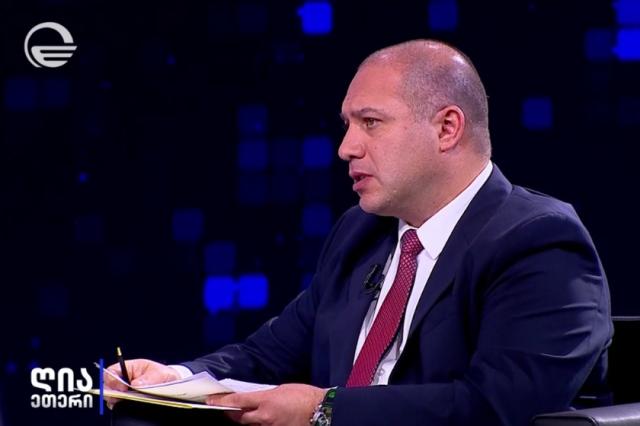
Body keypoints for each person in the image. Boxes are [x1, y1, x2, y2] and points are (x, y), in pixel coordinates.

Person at [106, 39, 612, 426]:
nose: (346, 148)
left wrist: (324, 409)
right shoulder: (361, 233)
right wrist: (175, 379)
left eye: (370, 123)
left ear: (447, 129)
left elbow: (498, 406)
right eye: (347, 125)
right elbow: (269, 354)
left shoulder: (537, 241)